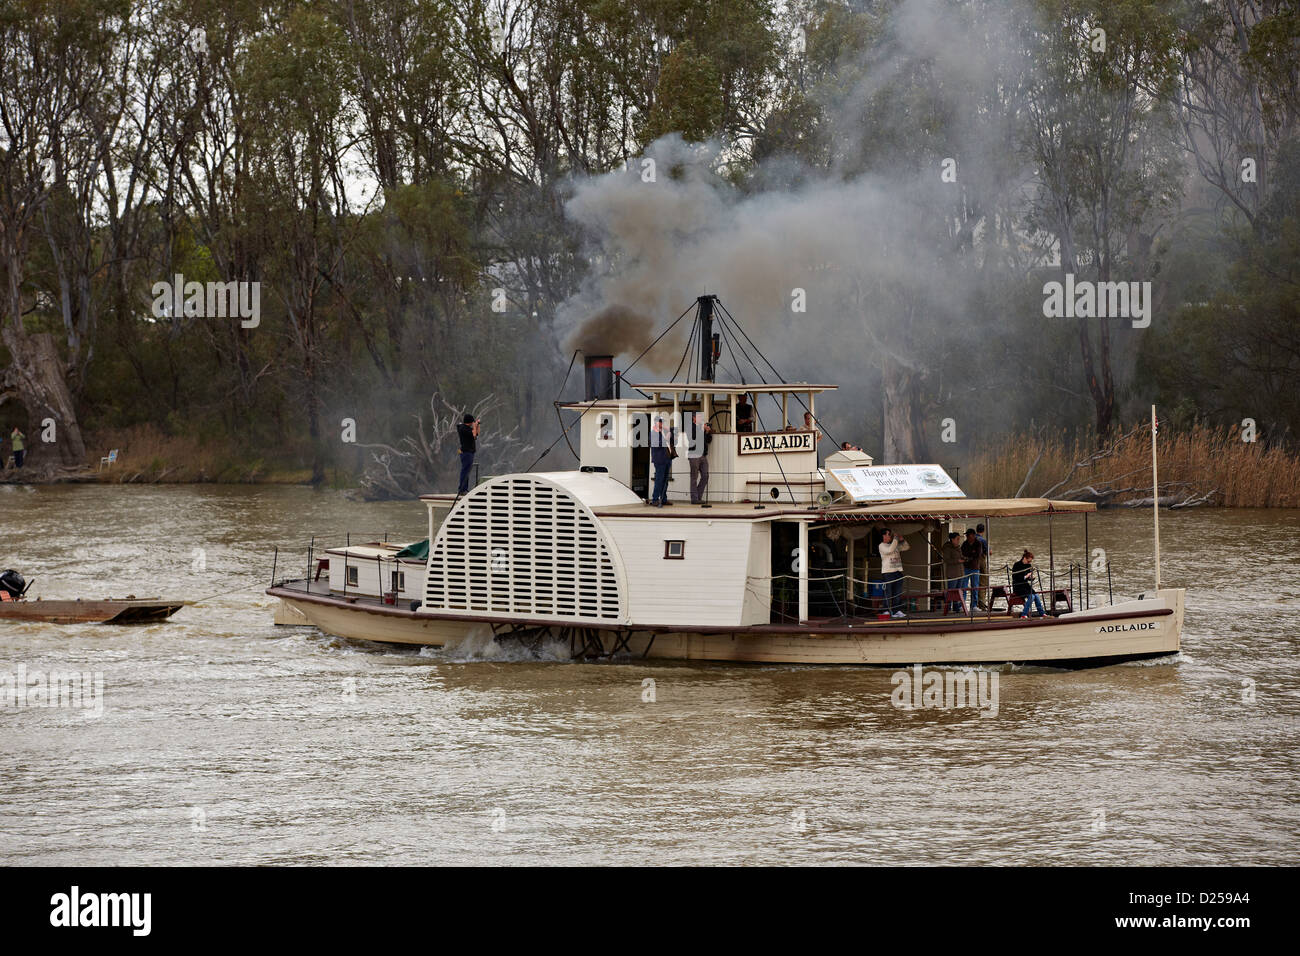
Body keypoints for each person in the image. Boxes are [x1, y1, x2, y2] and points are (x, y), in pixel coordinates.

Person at [878, 527, 910, 619]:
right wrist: (896, 538)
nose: (890, 536)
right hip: (888, 573)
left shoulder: (894, 544)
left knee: (897, 593)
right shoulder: (881, 546)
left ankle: (896, 610)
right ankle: (886, 610)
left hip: (898, 571)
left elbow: (906, 547)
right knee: (887, 593)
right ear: (884, 536)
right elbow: (890, 550)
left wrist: (902, 539)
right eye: (889, 534)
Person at [1011, 549, 1046, 617]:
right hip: (1018, 586)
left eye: (1030, 561)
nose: (1029, 562)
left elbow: (1028, 578)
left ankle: (1042, 613)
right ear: (1024, 558)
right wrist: (1026, 576)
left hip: (1026, 586)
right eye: (1028, 561)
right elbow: (1015, 577)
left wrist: (1031, 578)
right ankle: (1024, 614)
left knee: (1036, 596)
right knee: (1031, 596)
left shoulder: (1028, 565)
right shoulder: (1016, 565)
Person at [649, 415, 675, 506]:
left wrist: (668, 429)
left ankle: (663, 499)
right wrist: (666, 439)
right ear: (656, 422)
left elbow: (674, 433)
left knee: (665, 480)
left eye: (662, 422)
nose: (661, 423)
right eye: (660, 422)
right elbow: (657, 444)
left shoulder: (663, 431)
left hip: (667, 458)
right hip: (659, 459)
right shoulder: (653, 433)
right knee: (659, 480)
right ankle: (655, 499)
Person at [686, 411, 711, 504]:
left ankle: (698, 496)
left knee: (705, 476)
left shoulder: (701, 427)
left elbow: (708, 440)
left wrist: (707, 432)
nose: (701, 419)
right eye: (699, 417)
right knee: (694, 477)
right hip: (694, 455)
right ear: (694, 418)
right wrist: (702, 429)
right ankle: (694, 499)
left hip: (703, 455)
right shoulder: (690, 427)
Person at [941, 531, 966, 613]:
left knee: (958, 591)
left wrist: (964, 558)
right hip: (952, 573)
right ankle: (948, 608)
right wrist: (957, 560)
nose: (959, 540)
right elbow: (947, 560)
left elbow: (960, 556)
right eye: (957, 539)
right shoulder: (947, 548)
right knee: (951, 591)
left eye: (959, 539)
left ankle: (956, 607)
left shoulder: (958, 547)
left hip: (960, 572)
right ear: (952, 539)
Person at [455, 413, 479, 495]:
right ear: (469, 422)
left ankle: (464, 488)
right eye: (472, 422)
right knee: (465, 470)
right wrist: (475, 426)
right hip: (466, 452)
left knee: (467, 470)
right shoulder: (463, 429)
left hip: (469, 452)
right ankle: (462, 489)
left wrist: (477, 426)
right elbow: (474, 434)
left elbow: (476, 436)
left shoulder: (467, 428)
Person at [960, 528, 981, 612]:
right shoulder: (965, 544)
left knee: (975, 587)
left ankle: (974, 605)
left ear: (973, 535)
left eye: (968, 535)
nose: (967, 537)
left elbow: (977, 555)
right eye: (967, 535)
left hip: (975, 568)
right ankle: (963, 605)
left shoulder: (978, 543)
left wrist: (968, 558)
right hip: (965, 568)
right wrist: (968, 557)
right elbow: (962, 554)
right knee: (964, 586)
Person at [975, 522, 990, 610]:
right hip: (981, 562)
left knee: (975, 583)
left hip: (973, 563)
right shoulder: (983, 540)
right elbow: (989, 552)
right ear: (983, 531)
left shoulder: (972, 539)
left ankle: (974, 604)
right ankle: (982, 603)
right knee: (983, 582)